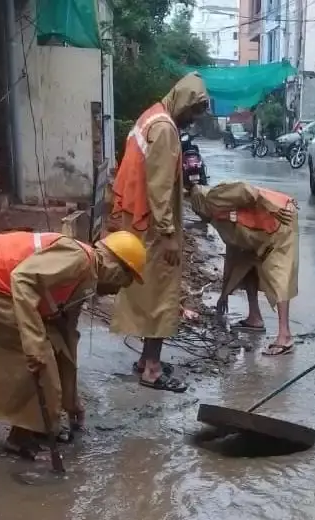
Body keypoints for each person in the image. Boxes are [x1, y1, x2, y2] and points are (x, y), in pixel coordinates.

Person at [0, 230, 147, 458]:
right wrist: (34, 345)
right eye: (127, 280)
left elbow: (66, 337)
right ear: (116, 269)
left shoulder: (83, 279)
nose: (120, 289)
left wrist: (71, 399)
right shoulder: (79, 259)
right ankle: (22, 437)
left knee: (48, 346)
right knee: (38, 356)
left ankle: (35, 425)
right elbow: (22, 280)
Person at [108, 72, 209, 392]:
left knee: (145, 292)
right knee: (161, 297)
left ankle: (143, 360)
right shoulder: (165, 130)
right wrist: (168, 234)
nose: (191, 120)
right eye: (192, 112)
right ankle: (152, 369)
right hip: (153, 226)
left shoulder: (151, 116)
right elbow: (160, 187)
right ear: (182, 101)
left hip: (136, 220)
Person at [187, 181, 299, 355]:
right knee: (247, 266)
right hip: (260, 232)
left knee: (279, 273)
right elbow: (234, 255)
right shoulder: (216, 218)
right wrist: (224, 293)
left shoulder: (213, 198)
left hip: (280, 219)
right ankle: (255, 318)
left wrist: (271, 208)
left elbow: (247, 190)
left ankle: (285, 336)